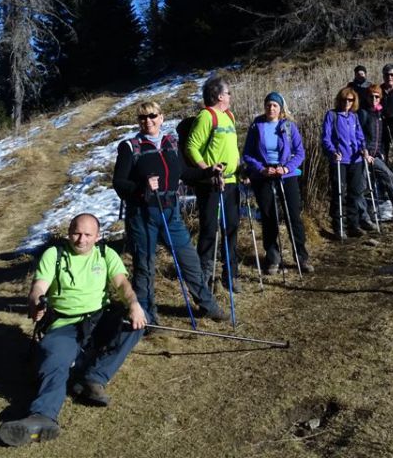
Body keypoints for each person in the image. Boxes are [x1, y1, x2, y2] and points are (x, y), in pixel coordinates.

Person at [0, 213, 146, 447]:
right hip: (64, 323)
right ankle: (43, 416)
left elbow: (121, 284)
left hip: (98, 319)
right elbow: (39, 287)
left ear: (98, 236)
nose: (81, 240)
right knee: (56, 358)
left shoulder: (106, 254)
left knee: (135, 323)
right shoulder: (53, 254)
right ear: (69, 232)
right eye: (76, 233)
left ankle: (93, 378)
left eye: (88, 235)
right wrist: (36, 303)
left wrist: (134, 305)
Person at [112, 102, 227, 325]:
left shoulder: (171, 144)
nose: (148, 121)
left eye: (152, 116)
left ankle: (208, 306)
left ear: (162, 117)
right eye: (143, 118)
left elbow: (184, 173)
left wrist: (208, 172)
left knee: (189, 260)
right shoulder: (130, 147)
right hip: (142, 215)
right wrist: (141, 188)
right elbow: (119, 183)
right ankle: (147, 318)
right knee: (144, 267)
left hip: (170, 213)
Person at [242, 92, 311, 274]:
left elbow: (300, 152)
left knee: (293, 216)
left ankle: (301, 257)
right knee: (268, 216)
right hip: (263, 175)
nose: (271, 108)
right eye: (268, 105)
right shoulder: (257, 126)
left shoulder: (289, 126)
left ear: (281, 108)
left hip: (286, 175)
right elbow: (247, 154)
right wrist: (261, 168)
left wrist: (287, 168)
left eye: (275, 105)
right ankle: (273, 258)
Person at [185, 76, 241, 292]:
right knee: (209, 231)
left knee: (232, 228)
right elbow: (192, 146)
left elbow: (231, 146)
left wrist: (238, 165)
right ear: (219, 96)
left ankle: (230, 275)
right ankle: (204, 279)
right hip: (212, 185)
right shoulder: (206, 117)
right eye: (228, 93)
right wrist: (206, 170)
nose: (230, 96)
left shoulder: (229, 116)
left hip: (232, 182)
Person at [320, 87, 371, 237]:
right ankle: (338, 226)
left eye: (350, 100)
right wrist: (332, 151)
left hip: (356, 159)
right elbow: (326, 137)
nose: (347, 103)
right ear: (339, 100)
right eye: (344, 99)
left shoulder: (354, 117)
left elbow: (360, 136)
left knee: (355, 193)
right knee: (339, 192)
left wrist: (364, 149)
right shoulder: (332, 115)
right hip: (339, 160)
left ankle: (353, 225)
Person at [357, 85, 393, 221]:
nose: (374, 99)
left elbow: (380, 137)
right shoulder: (363, 113)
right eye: (371, 96)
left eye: (377, 96)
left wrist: (380, 152)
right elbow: (358, 135)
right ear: (367, 97)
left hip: (376, 155)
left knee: (391, 178)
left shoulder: (379, 114)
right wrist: (364, 151)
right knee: (362, 186)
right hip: (363, 155)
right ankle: (362, 218)